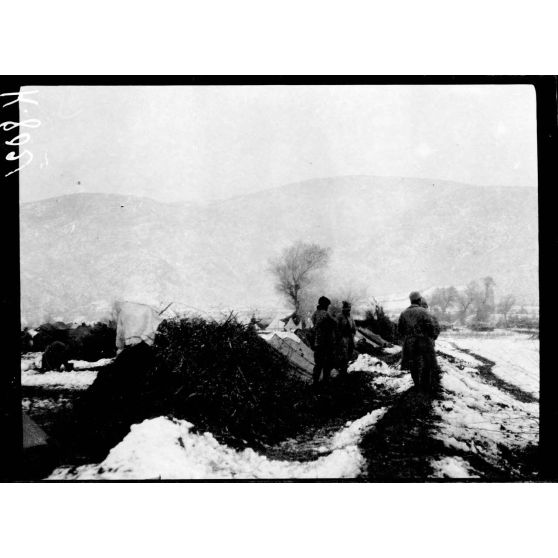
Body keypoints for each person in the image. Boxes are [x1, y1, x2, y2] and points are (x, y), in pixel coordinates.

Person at [398, 291, 440, 392]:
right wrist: (432, 337)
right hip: (424, 341)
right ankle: (426, 386)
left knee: (413, 364)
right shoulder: (424, 312)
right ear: (419, 300)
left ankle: (417, 385)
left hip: (410, 343)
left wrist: (408, 337)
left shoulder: (403, 313)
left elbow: (400, 330)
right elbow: (431, 327)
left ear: (411, 300)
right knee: (427, 363)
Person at [311, 296, 337, 386]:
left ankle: (315, 383)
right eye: (327, 305)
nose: (327, 307)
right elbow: (335, 323)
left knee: (318, 364)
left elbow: (314, 326)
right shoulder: (325, 314)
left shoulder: (315, 313)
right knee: (327, 364)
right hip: (326, 343)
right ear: (324, 305)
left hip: (318, 343)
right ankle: (325, 383)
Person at [336, 301, 356, 377]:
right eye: (347, 308)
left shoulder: (350, 317)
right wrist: (338, 337)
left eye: (349, 308)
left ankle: (345, 369)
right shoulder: (339, 317)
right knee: (343, 355)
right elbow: (336, 328)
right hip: (342, 338)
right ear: (344, 308)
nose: (348, 310)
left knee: (349, 354)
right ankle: (342, 371)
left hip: (350, 338)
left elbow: (354, 327)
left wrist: (353, 334)